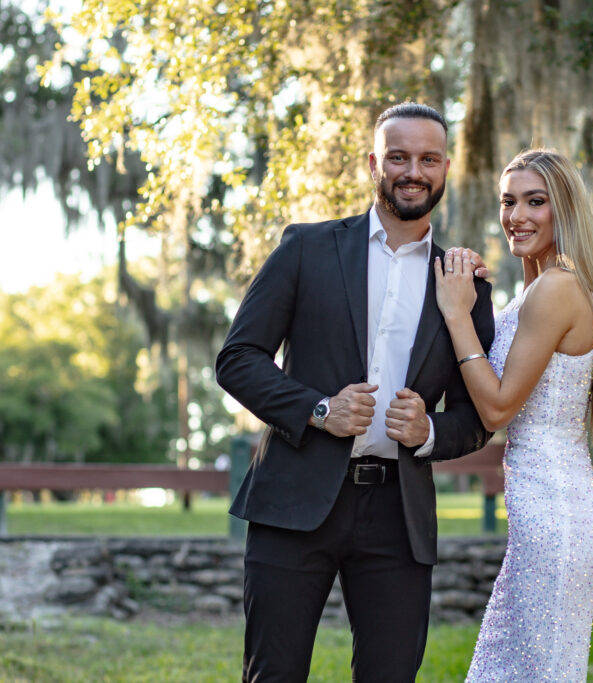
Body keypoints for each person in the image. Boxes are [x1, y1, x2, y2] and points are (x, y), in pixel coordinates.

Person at [215, 102, 495, 683]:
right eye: (398, 156)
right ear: (374, 164)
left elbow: (480, 413)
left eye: (428, 159)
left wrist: (431, 431)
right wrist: (319, 409)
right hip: (294, 502)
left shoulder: (464, 282)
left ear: (446, 170)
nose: (412, 171)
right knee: (274, 674)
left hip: (399, 515)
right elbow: (237, 359)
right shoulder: (306, 249)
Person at [434, 148, 593, 681]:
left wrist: (456, 314)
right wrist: (476, 296)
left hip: (555, 518)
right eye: (508, 201)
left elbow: (496, 407)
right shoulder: (542, 289)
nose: (516, 216)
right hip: (542, 514)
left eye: (534, 202)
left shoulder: (558, 288)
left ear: (563, 209)